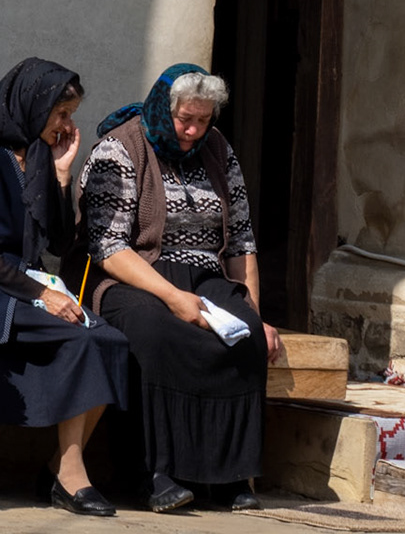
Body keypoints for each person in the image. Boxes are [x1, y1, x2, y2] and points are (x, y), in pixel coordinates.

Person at [67, 64, 279, 513]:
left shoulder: (219, 151)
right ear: (165, 109)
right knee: (157, 332)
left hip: (205, 275)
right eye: (185, 119)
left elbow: (241, 240)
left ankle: (226, 476)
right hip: (133, 276)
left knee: (244, 336)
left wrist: (255, 315)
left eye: (203, 120)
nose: (192, 130)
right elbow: (107, 248)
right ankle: (154, 473)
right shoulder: (120, 149)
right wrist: (172, 297)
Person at [0, 58, 130, 518]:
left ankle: (57, 467)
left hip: (30, 281)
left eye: (70, 115)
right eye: (61, 113)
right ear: (33, 103)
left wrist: (63, 175)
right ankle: (72, 476)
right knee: (82, 338)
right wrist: (41, 294)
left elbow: (62, 242)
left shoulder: (38, 159)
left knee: (111, 341)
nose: (67, 125)